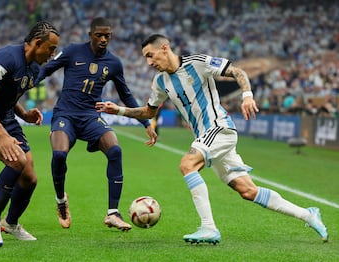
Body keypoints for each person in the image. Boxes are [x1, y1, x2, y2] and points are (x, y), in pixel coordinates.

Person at [96, 34, 328, 244]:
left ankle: (208, 228)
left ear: (164, 48)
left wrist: (247, 95)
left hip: (219, 128)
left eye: (150, 55)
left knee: (187, 164)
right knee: (248, 191)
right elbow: (149, 111)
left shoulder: (197, 63)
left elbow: (238, 72)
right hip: (206, 137)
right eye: (145, 58)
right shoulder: (160, 82)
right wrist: (119, 110)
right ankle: (308, 214)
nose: (148, 62)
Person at [35, 17, 157, 231]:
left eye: (107, 36)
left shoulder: (114, 63)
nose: (103, 39)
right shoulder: (73, 51)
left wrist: (146, 122)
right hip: (66, 114)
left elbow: (126, 95)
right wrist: (25, 83)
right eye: (99, 35)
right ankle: (61, 201)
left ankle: (113, 213)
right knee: (59, 155)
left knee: (115, 150)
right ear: (90, 35)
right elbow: (46, 69)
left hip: (91, 116)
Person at [0, 21, 60, 247]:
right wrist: (3, 135)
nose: (52, 54)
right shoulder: (6, 57)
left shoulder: (33, 68)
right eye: (51, 49)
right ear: (37, 43)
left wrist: (23, 114)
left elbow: (10, 95)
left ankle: (11, 223)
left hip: (6, 117)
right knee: (17, 161)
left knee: (30, 178)